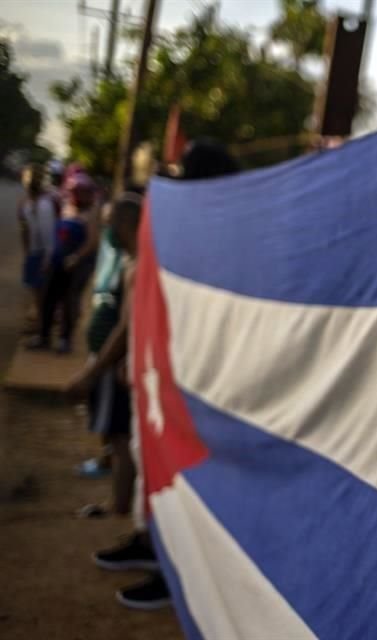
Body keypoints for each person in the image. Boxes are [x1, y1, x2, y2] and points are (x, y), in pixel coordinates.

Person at [88, 139, 239, 610]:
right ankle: (153, 545)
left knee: (187, 474)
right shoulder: (187, 228)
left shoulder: (225, 234)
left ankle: (176, 568)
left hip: (198, 379)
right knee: (151, 455)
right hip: (166, 372)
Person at [68, 193, 144, 507]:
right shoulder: (128, 262)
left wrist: (92, 371)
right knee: (117, 437)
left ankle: (121, 509)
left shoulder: (137, 268)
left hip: (116, 366)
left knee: (120, 439)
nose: (106, 231)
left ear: (127, 224)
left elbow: (126, 328)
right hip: (113, 363)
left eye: (110, 224)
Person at [28, 171, 100, 353]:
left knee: (70, 300)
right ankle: (43, 336)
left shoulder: (91, 213)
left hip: (78, 265)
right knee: (48, 298)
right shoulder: (67, 207)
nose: (77, 195)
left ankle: (64, 339)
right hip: (58, 260)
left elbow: (92, 242)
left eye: (81, 191)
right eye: (74, 191)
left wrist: (76, 257)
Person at [16, 164, 57, 327]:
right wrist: (27, 253)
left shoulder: (44, 204)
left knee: (42, 293)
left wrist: (47, 258)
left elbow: (48, 235)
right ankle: (40, 325)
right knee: (36, 291)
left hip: (43, 253)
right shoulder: (26, 203)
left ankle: (42, 328)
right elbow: (24, 230)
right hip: (34, 252)